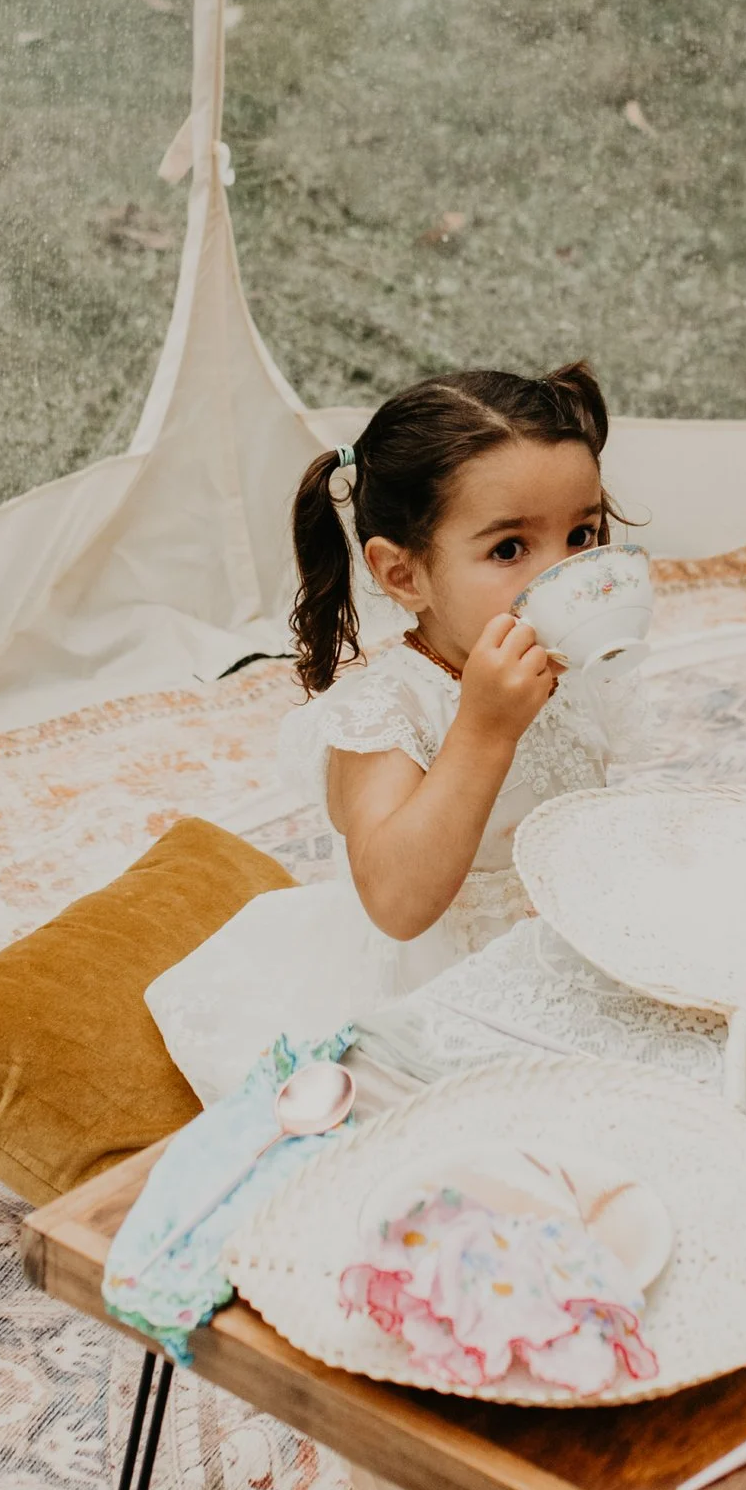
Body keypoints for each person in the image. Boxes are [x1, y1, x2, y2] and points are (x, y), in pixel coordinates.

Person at [146, 362, 631, 1101]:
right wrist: (484, 730)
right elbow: (399, 904)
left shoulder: (570, 671)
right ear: (404, 577)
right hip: (442, 988)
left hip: (565, 946)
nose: (565, 575)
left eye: (582, 533)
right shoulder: (387, 712)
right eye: (509, 549)